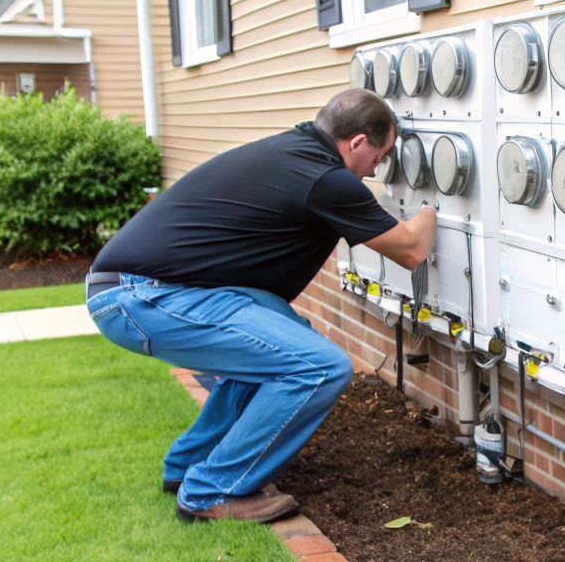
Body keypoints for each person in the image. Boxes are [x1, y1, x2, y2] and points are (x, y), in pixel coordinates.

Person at [86, 89, 435, 523]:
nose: (376, 170)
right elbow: (411, 248)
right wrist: (432, 207)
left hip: (142, 288)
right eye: (380, 158)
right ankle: (211, 491)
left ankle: (188, 465)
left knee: (283, 339)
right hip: (144, 297)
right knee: (319, 365)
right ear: (358, 142)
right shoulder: (327, 178)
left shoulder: (294, 153)